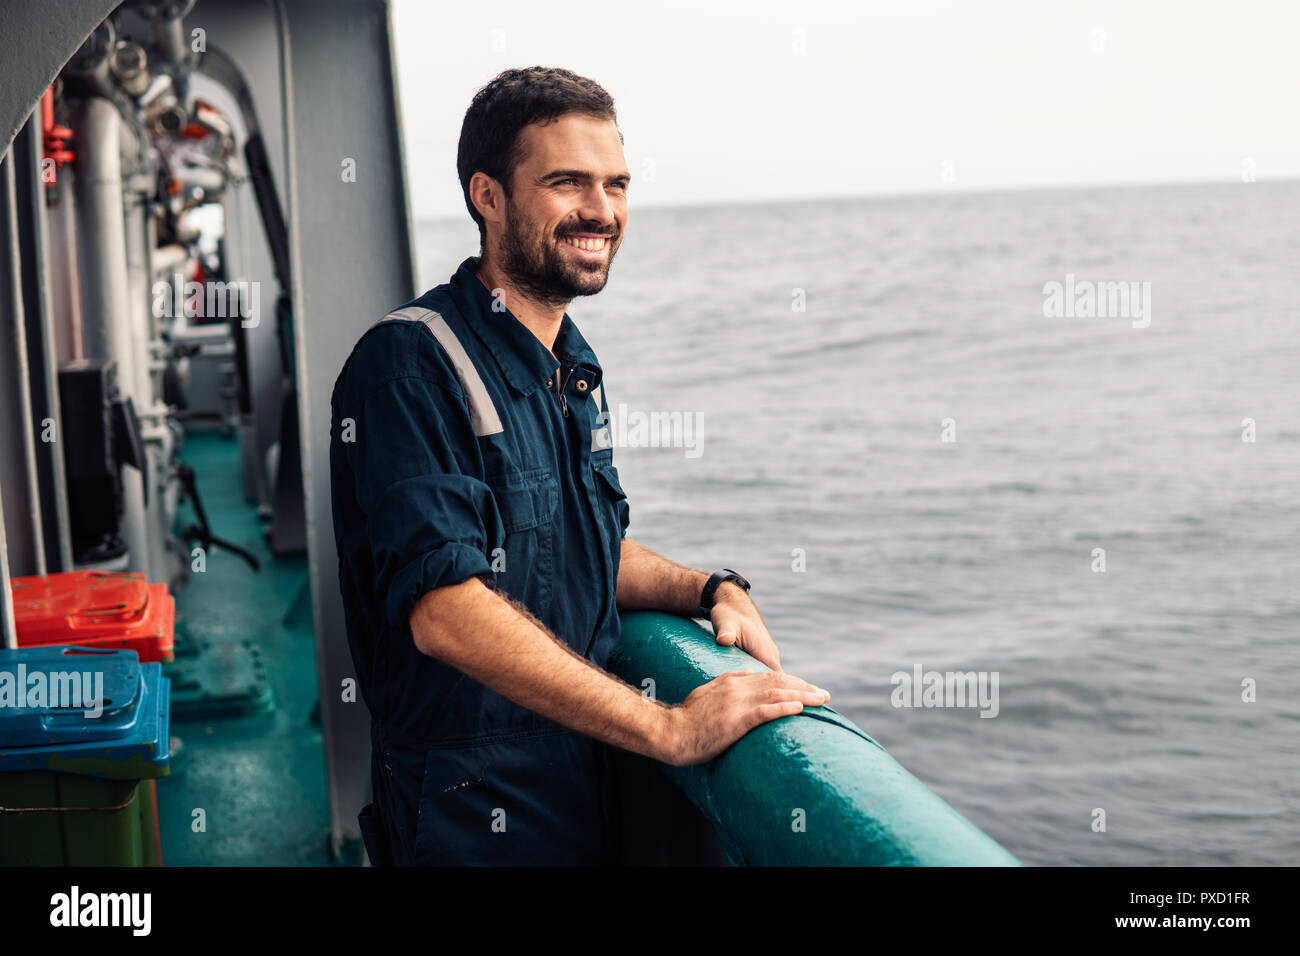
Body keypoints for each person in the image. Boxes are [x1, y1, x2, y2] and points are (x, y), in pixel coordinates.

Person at [329, 66, 830, 866]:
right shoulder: (409, 365)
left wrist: (709, 587)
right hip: (470, 817)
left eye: (616, 184)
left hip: (584, 791)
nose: (601, 210)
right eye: (568, 182)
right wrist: (669, 726)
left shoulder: (571, 367)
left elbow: (577, 549)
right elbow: (445, 610)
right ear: (486, 196)